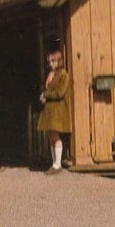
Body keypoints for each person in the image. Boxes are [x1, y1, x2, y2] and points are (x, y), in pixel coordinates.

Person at [37, 47, 72, 175]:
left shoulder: (63, 75)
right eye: (49, 61)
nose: (50, 64)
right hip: (49, 110)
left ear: (59, 61)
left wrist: (46, 95)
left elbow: (60, 92)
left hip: (57, 111)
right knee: (51, 137)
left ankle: (57, 165)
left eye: (53, 61)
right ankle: (54, 163)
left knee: (55, 136)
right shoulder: (51, 74)